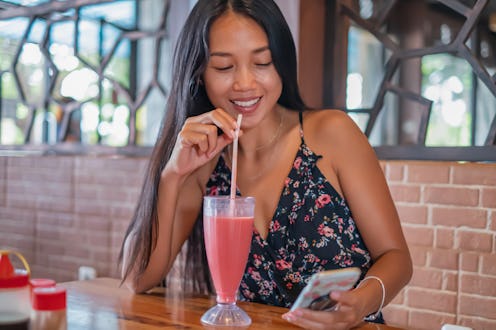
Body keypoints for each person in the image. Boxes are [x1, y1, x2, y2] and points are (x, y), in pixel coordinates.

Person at [119, 0, 413, 329]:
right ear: (199, 74)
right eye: (223, 67)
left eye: (262, 62)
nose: (245, 83)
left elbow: (397, 259)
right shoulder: (203, 163)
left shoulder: (332, 134)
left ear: (281, 64)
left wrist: (361, 303)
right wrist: (172, 175)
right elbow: (137, 278)